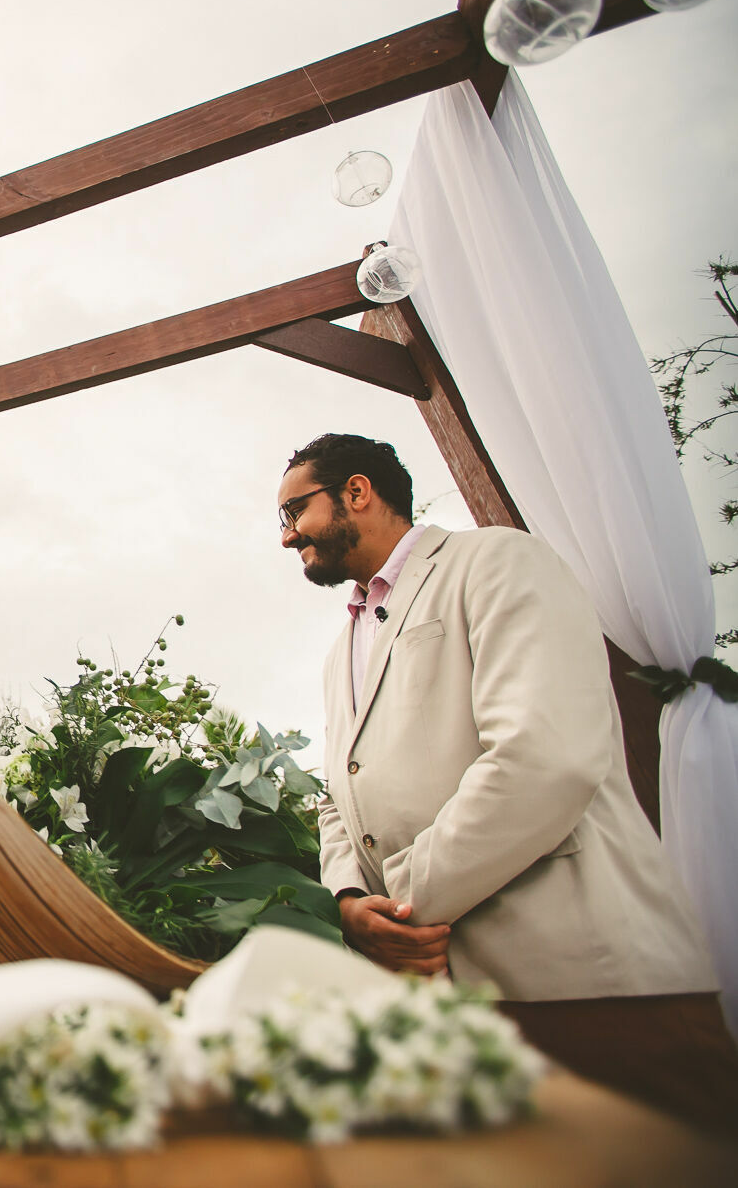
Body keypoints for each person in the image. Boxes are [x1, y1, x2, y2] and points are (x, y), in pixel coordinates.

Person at [278, 432, 733, 1125]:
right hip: (457, 1012)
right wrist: (346, 901)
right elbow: (339, 794)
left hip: (587, 988)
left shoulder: (496, 560)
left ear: (358, 492)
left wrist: (400, 907)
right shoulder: (338, 650)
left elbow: (544, 755)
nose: (286, 537)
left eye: (293, 512)